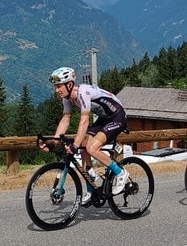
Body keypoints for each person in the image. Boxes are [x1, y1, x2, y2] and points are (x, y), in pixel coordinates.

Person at [45, 67, 129, 199]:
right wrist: (54, 142)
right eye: (55, 86)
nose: (57, 90)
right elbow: (65, 119)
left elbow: (84, 121)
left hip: (117, 116)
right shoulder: (67, 98)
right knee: (84, 149)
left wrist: (75, 145)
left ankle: (120, 172)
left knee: (90, 147)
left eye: (59, 86)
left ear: (70, 84)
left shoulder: (83, 92)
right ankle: (91, 189)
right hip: (103, 119)